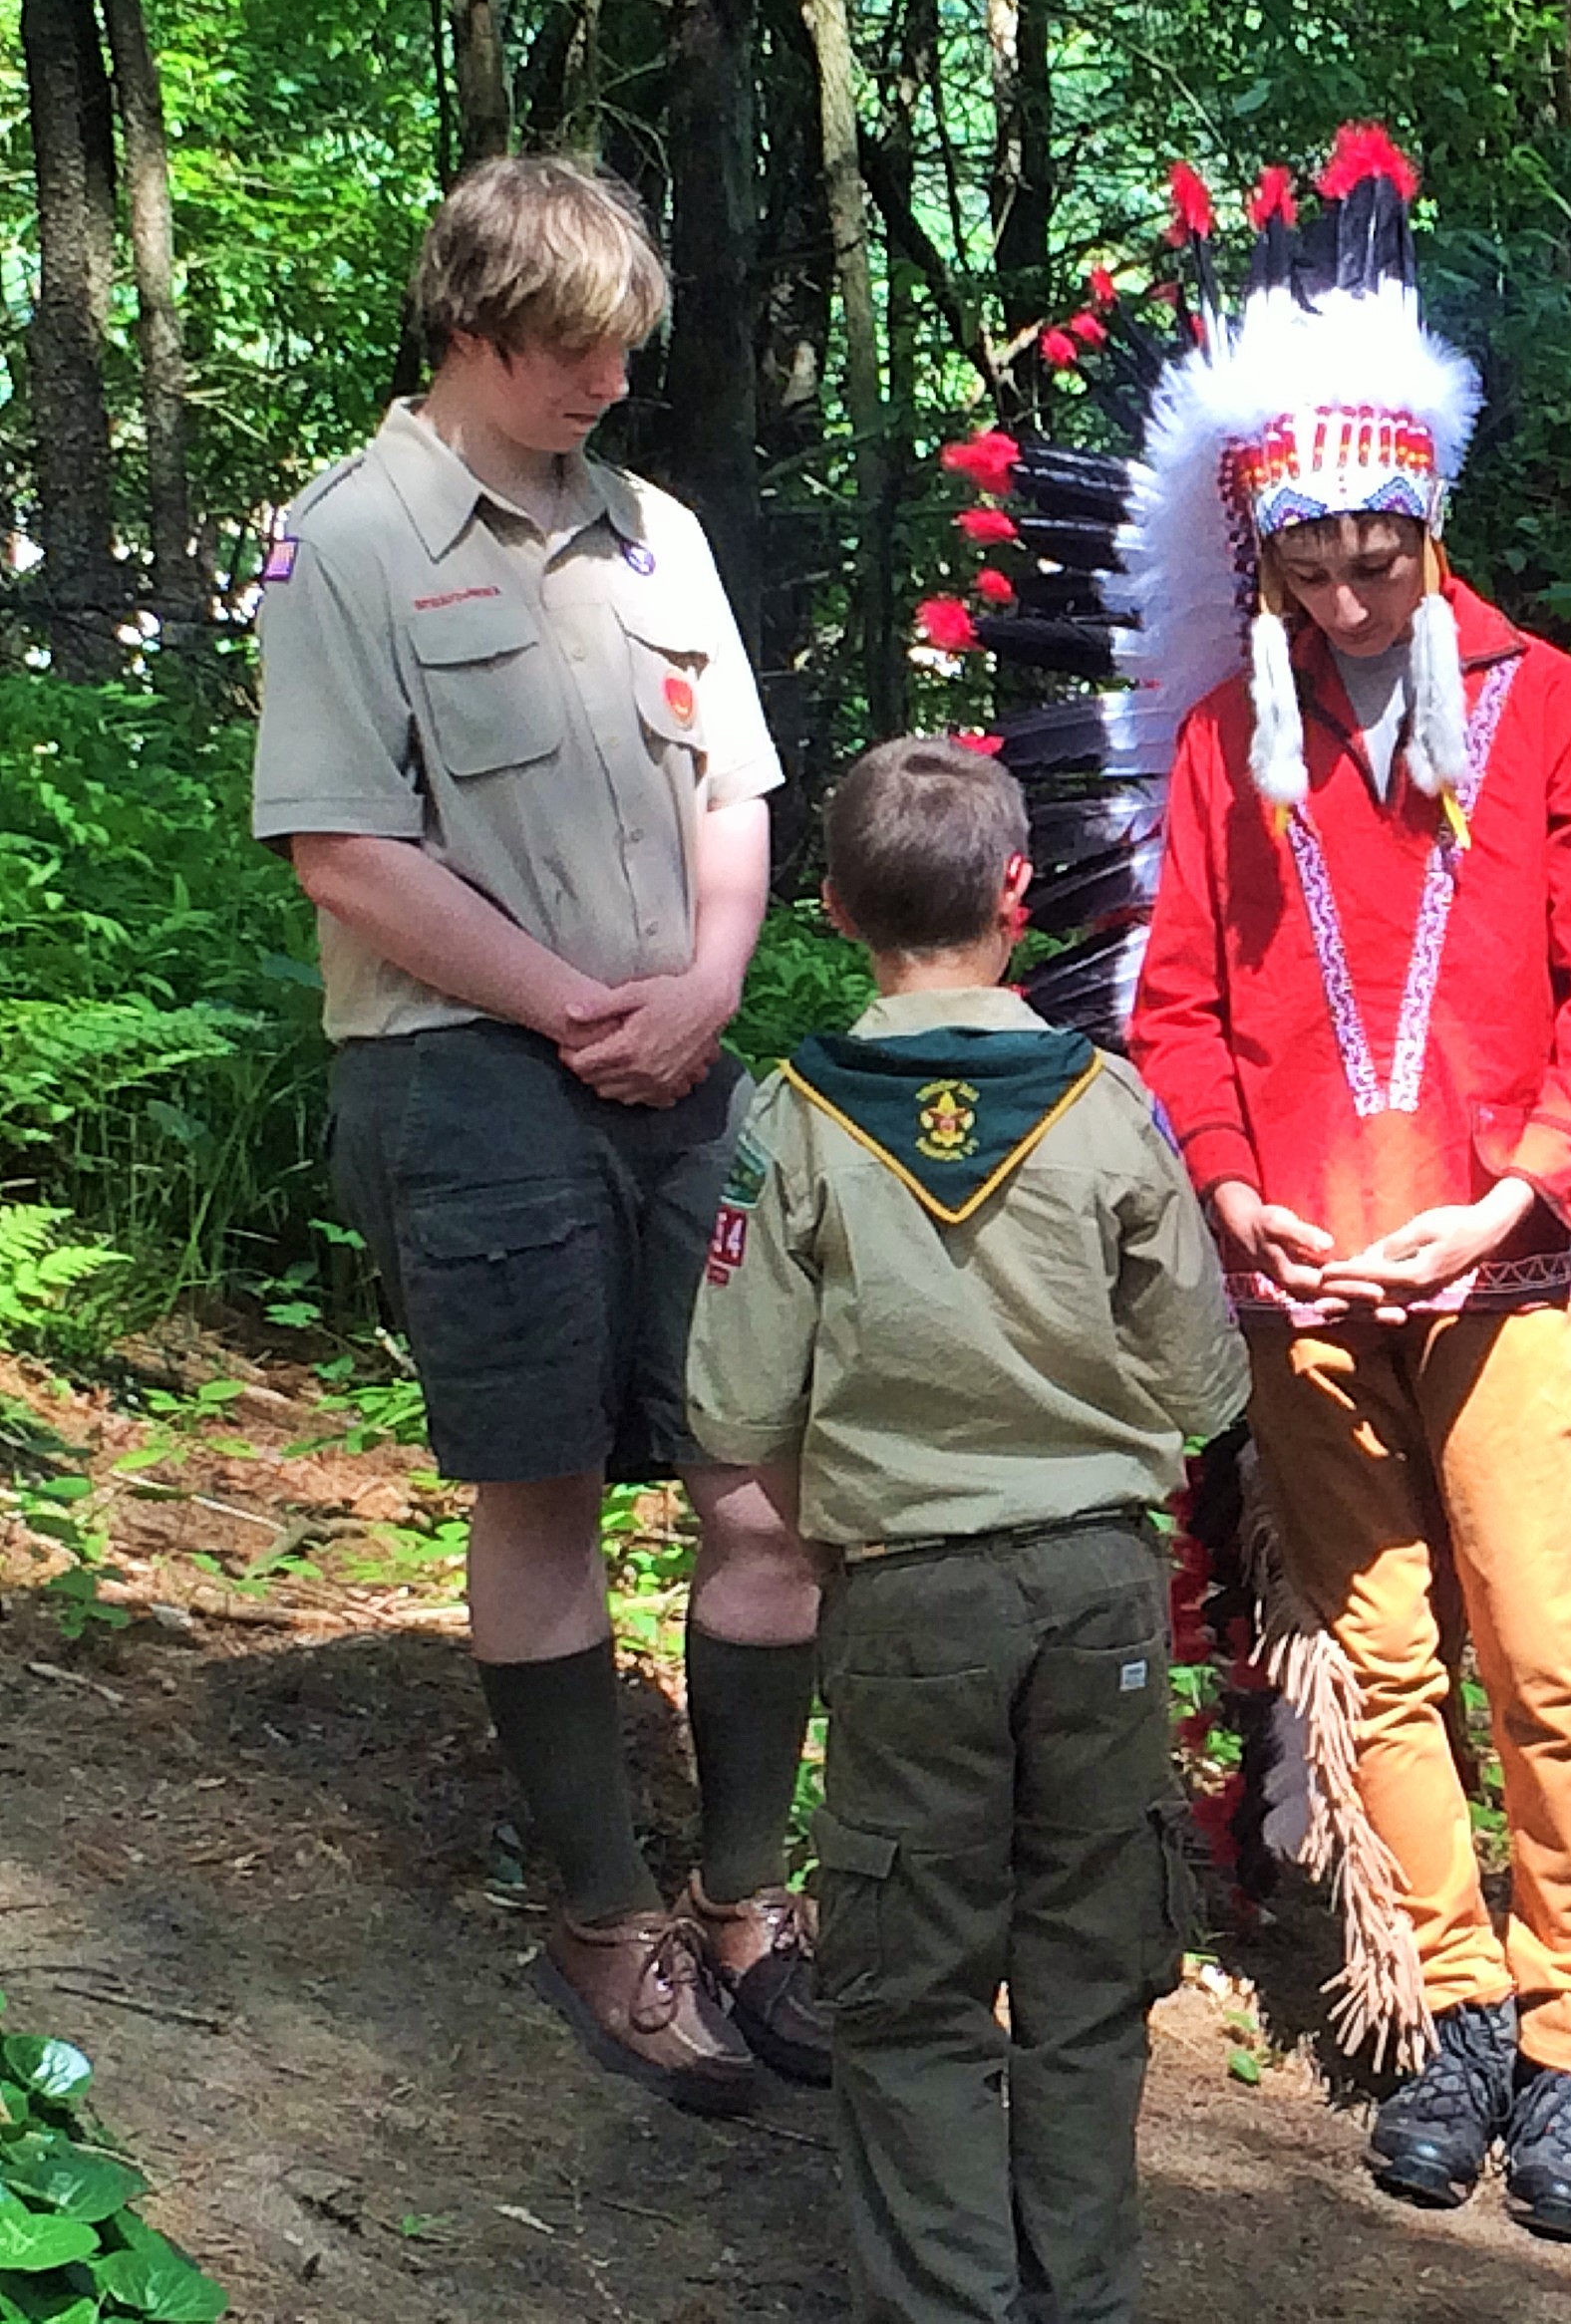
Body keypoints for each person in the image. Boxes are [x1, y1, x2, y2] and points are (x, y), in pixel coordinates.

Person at [1117, 130, 1571, 2247]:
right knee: (1371, 1657)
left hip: (1502, 1272)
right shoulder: (1215, 750)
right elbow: (1177, 1009)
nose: (1349, 601)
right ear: (1259, 561)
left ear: (1435, 531)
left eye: (1381, 559)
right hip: (1301, 1279)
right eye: (1311, 568)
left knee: (1553, 1656)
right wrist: (1233, 1188)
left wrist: (1521, 1191)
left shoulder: (1553, 716)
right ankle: (1445, 2009)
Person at [250, 152, 823, 2111]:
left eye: (620, 351)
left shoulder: (656, 532)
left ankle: (745, 1908)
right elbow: (344, 849)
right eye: (573, 352)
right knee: (546, 1486)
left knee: (764, 1481)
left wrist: (709, 985)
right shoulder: (352, 540)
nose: (605, 387)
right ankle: (603, 1918)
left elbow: (736, 792)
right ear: (476, 330)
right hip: (472, 1081)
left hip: (684, 1075)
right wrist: (570, 1004)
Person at [687, 735, 1245, 2324]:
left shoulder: (797, 1118)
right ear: (1020, 896)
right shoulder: (1107, 1105)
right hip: (1099, 1597)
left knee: (911, 1985)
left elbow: (731, 1403)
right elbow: (1203, 1375)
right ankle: (1081, 2299)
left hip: (908, 1605)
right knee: (1087, 1976)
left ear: (837, 905)